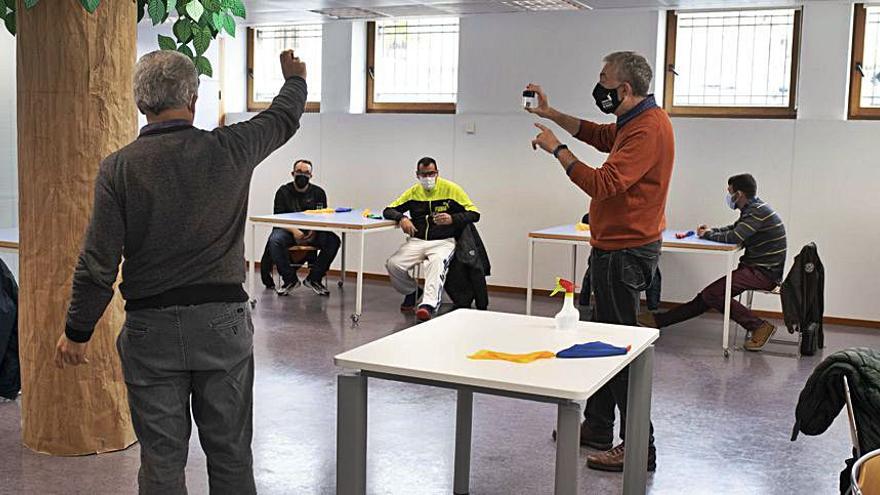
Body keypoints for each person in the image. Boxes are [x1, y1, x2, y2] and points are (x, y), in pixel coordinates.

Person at [53, 49, 308, 494]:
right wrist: (295, 79)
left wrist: (77, 331)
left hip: (152, 331)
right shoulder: (232, 147)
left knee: (161, 461)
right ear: (193, 98)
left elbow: (98, 263)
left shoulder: (119, 168)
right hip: (222, 326)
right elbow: (283, 118)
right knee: (230, 454)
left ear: (139, 104)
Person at [528, 50, 673, 472]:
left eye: (604, 78)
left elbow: (604, 183)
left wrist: (558, 151)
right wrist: (551, 113)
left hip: (624, 253)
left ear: (623, 89)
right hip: (615, 249)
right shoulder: (637, 121)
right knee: (602, 341)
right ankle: (596, 425)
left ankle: (638, 446)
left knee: (620, 350)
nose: (599, 84)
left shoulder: (647, 129)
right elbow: (599, 135)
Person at [640, 174, 787, 351]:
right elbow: (734, 228)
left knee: (713, 294)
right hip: (758, 268)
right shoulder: (754, 208)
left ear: (738, 194)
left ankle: (759, 326)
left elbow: (734, 236)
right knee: (707, 296)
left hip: (764, 273)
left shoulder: (757, 211)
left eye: (730, 192)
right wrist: (711, 231)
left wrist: (708, 235)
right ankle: (659, 321)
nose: (728, 196)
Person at [383, 157, 480, 322]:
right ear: (417, 175)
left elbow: (474, 214)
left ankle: (427, 305)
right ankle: (412, 291)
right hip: (417, 240)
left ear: (437, 173)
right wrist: (402, 218)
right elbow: (388, 210)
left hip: (443, 241)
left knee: (435, 264)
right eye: (424, 174)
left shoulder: (451, 190)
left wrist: (453, 218)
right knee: (394, 264)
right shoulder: (414, 192)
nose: (428, 178)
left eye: (431, 173)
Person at [259, 159, 340, 296]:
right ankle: (290, 280)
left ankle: (314, 279)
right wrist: (295, 231)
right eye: (299, 172)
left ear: (311, 175)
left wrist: (313, 231)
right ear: (292, 173)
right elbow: (278, 218)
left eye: (306, 173)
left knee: (334, 240)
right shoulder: (283, 192)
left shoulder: (319, 193)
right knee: (275, 241)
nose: (302, 175)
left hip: (313, 230)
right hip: (288, 230)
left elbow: (322, 216)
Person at [578, 213, 661, 320]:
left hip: (620, 242)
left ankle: (652, 312)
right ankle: (653, 311)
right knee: (620, 311)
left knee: (615, 314)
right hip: (642, 236)